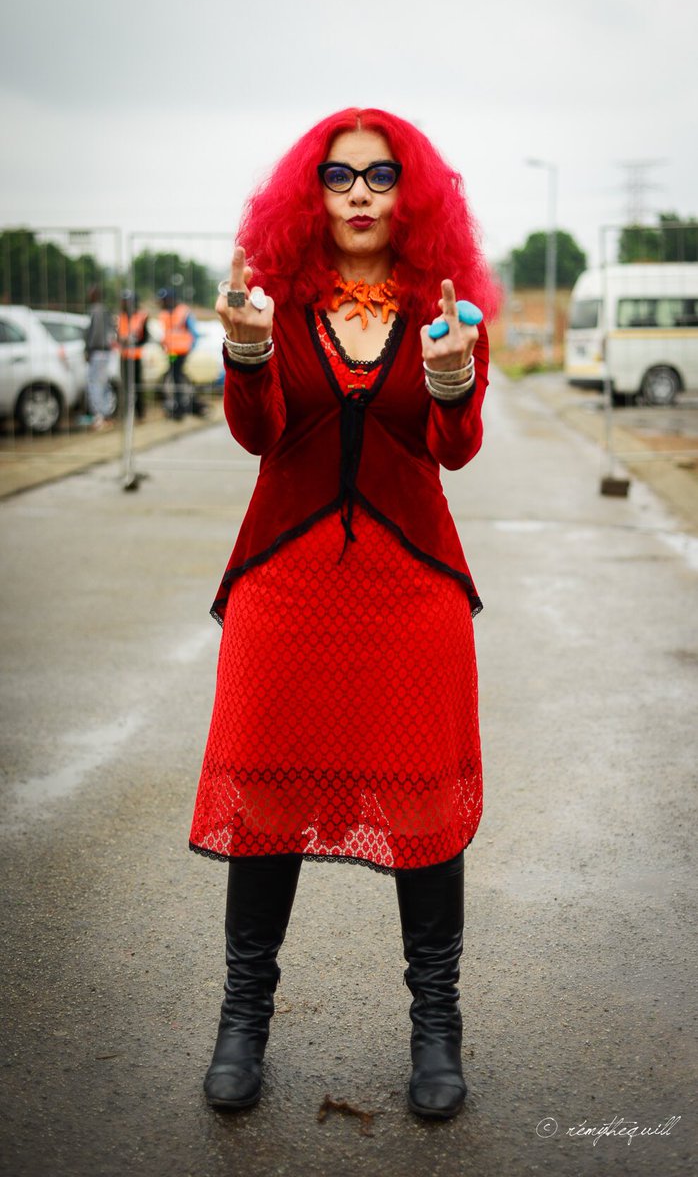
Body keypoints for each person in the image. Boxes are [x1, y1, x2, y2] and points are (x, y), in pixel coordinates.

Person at [189, 107, 500, 1121]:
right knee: (267, 801)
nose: (358, 190)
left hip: (411, 594)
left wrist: (452, 378)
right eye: (336, 174)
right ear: (307, 195)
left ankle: (436, 1034)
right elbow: (260, 434)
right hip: (285, 588)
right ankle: (242, 1023)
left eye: (378, 174)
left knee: (421, 808)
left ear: (412, 197)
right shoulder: (273, 307)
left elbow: (452, 448)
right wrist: (243, 355)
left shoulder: (446, 310)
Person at [157, 288, 200, 420]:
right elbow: (166, 333)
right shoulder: (164, 314)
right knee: (175, 376)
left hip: (182, 351)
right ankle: (178, 403)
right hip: (172, 352)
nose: (162, 303)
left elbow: (194, 332)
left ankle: (182, 404)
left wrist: (191, 347)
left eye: (164, 300)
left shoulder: (183, 312)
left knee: (177, 376)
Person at [84, 284, 115, 430]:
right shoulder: (106, 310)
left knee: (95, 384)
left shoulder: (96, 311)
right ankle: (106, 415)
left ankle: (99, 417)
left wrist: (88, 350)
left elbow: (94, 333)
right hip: (106, 352)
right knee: (103, 384)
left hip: (97, 352)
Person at [117, 290, 148, 420]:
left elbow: (145, 337)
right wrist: (122, 340)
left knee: (137, 387)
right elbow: (117, 335)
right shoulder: (120, 317)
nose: (124, 304)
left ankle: (140, 414)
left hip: (135, 356)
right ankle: (126, 414)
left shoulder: (141, 316)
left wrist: (134, 341)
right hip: (124, 356)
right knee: (125, 387)